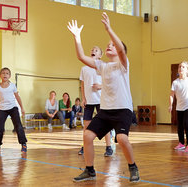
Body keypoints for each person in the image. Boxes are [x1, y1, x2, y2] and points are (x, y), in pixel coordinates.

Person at [67, 12, 140, 182]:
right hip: (106, 111)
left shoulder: (123, 65)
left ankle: (132, 166)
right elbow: (81, 57)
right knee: (87, 136)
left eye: (112, 45)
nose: (110, 46)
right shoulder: (103, 66)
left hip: (123, 110)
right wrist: (77, 37)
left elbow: (121, 49)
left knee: (121, 138)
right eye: (108, 44)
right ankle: (90, 170)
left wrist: (108, 29)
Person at [78, 46, 113, 157]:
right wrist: (83, 98)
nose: (93, 51)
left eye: (96, 50)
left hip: (101, 100)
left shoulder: (103, 67)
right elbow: (82, 85)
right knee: (86, 125)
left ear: (100, 55)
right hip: (89, 101)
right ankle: (85, 146)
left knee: (105, 125)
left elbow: (110, 82)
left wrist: (100, 86)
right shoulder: (84, 68)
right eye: (92, 49)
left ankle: (108, 147)